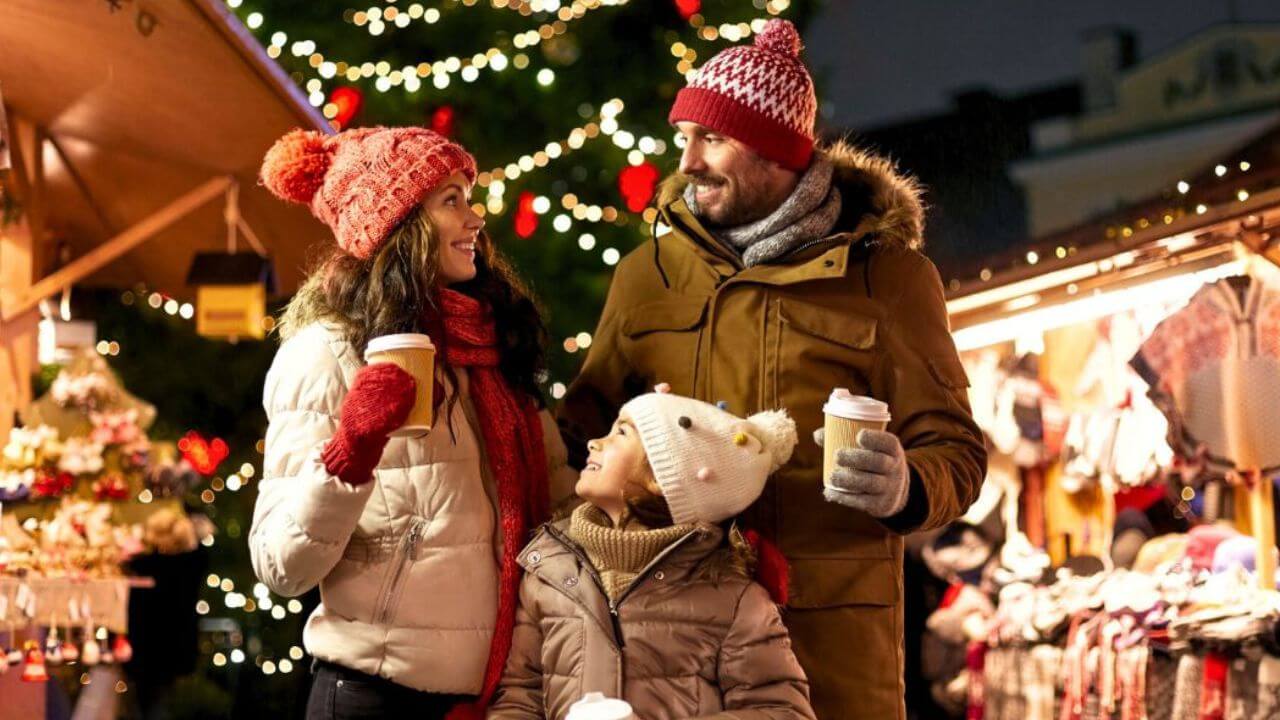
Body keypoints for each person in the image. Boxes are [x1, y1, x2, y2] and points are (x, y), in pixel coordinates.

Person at [558, 19, 987, 719]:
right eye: (685, 139)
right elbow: (578, 435)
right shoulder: (646, 275)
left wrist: (906, 485)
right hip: (674, 657)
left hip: (828, 651)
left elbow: (959, 452)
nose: (688, 162)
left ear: (777, 152)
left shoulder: (890, 278)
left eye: (713, 139)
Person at [251, 126, 574, 720]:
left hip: (502, 698)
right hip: (376, 696)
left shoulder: (495, 345)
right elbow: (281, 565)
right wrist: (352, 449)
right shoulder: (325, 352)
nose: (475, 219)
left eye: (467, 198)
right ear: (397, 226)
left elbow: (560, 509)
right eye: (450, 200)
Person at [490, 390, 816, 720]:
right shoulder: (549, 572)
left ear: (663, 477)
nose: (593, 442)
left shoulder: (734, 598)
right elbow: (520, 696)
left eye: (620, 432)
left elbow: (782, 710)